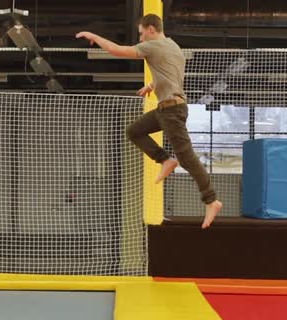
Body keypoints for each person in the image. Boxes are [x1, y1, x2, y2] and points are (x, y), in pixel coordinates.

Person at [76, 14, 222, 228]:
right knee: (134, 131)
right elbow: (169, 72)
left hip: (172, 111)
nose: (141, 39)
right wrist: (152, 85)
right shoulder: (172, 46)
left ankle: (211, 200)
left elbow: (117, 50)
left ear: (151, 29)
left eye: (142, 33)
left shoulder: (152, 46)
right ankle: (165, 160)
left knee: (187, 158)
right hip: (166, 110)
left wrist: (94, 36)